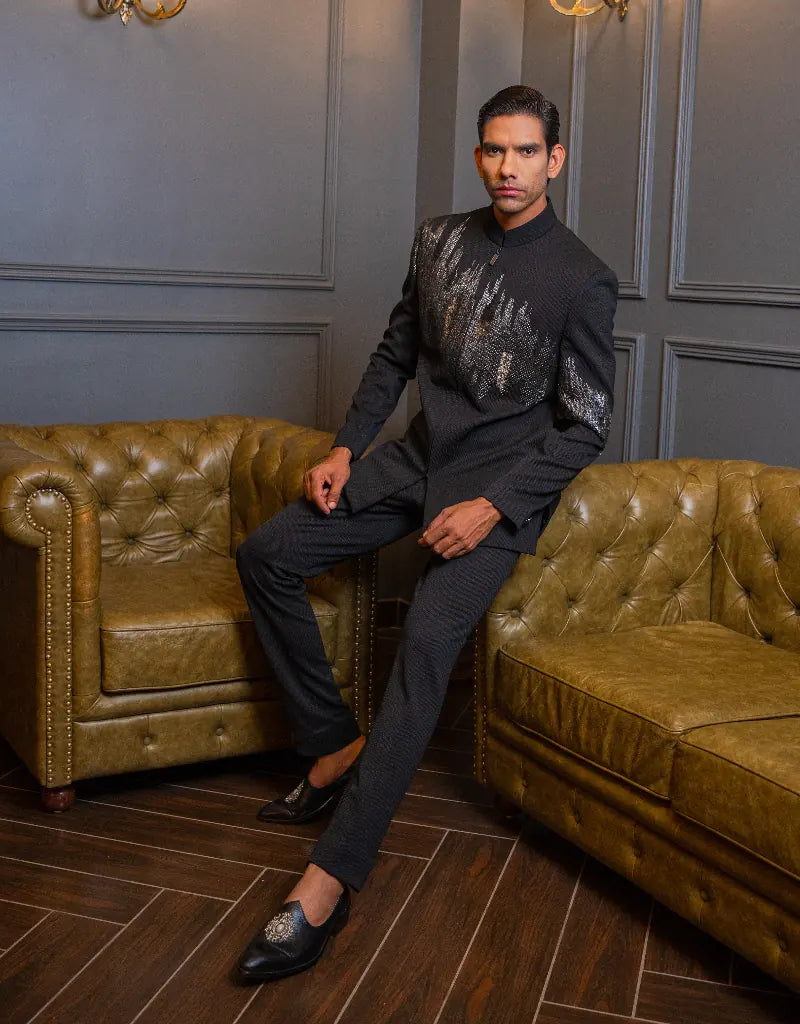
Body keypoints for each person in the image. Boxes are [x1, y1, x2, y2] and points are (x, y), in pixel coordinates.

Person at [235, 84, 617, 982]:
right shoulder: (439, 240)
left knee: (422, 653)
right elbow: (394, 355)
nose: (508, 168)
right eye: (495, 150)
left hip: (495, 494)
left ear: (555, 162)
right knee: (267, 554)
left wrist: (495, 508)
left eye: (527, 152)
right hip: (415, 463)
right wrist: (344, 447)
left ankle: (327, 883)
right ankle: (333, 744)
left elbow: (587, 424)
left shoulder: (582, 276)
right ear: (479, 156)